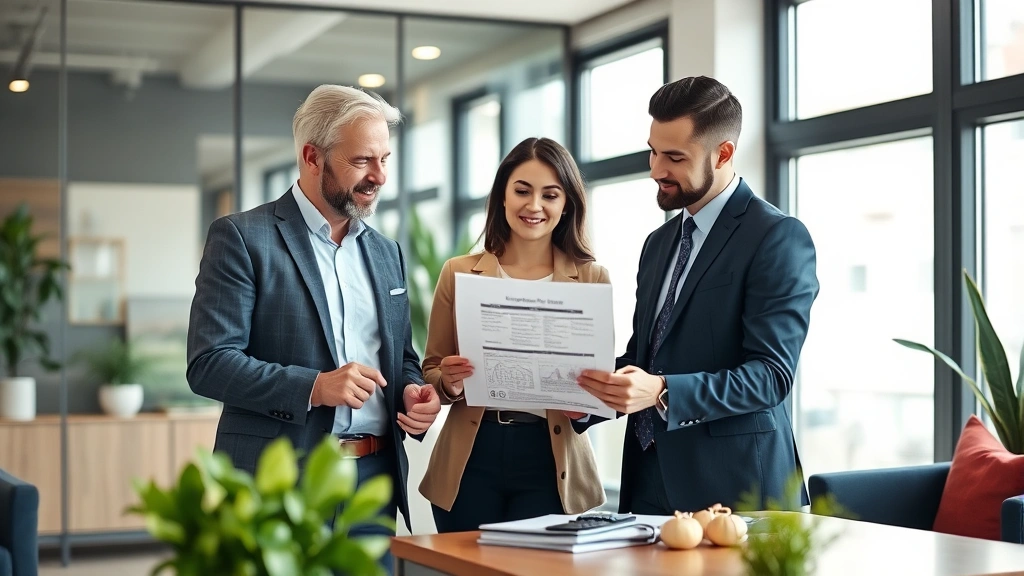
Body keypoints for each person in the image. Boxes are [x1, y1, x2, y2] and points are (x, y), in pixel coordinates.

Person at [186, 84, 440, 573]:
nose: (379, 176)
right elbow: (209, 363)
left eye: (385, 159)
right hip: (280, 478)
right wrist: (315, 387)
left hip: (373, 482)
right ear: (311, 157)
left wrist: (411, 391)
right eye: (362, 160)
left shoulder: (386, 252)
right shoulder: (242, 237)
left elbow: (401, 356)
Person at [576, 76, 819, 515]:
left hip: (736, 491)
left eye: (674, 157)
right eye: (653, 151)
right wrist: (579, 396)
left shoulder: (777, 237)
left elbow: (770, 376)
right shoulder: (658, 244)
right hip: (648, 481)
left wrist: (663, 391)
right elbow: (645, 358)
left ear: (723, 153)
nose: (656, 169)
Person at [418, 137, 608, 533]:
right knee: (466, 563)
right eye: (522, 191)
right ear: (502, 197)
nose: (534, 205)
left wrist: (586, 407)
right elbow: (431, 369)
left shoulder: (591, 277)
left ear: (566, 205)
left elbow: (601, 382)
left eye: (549, 195)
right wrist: (448, 382)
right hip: (472, 455)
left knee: (533, 563)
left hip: (550, 457)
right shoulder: (458, 272)